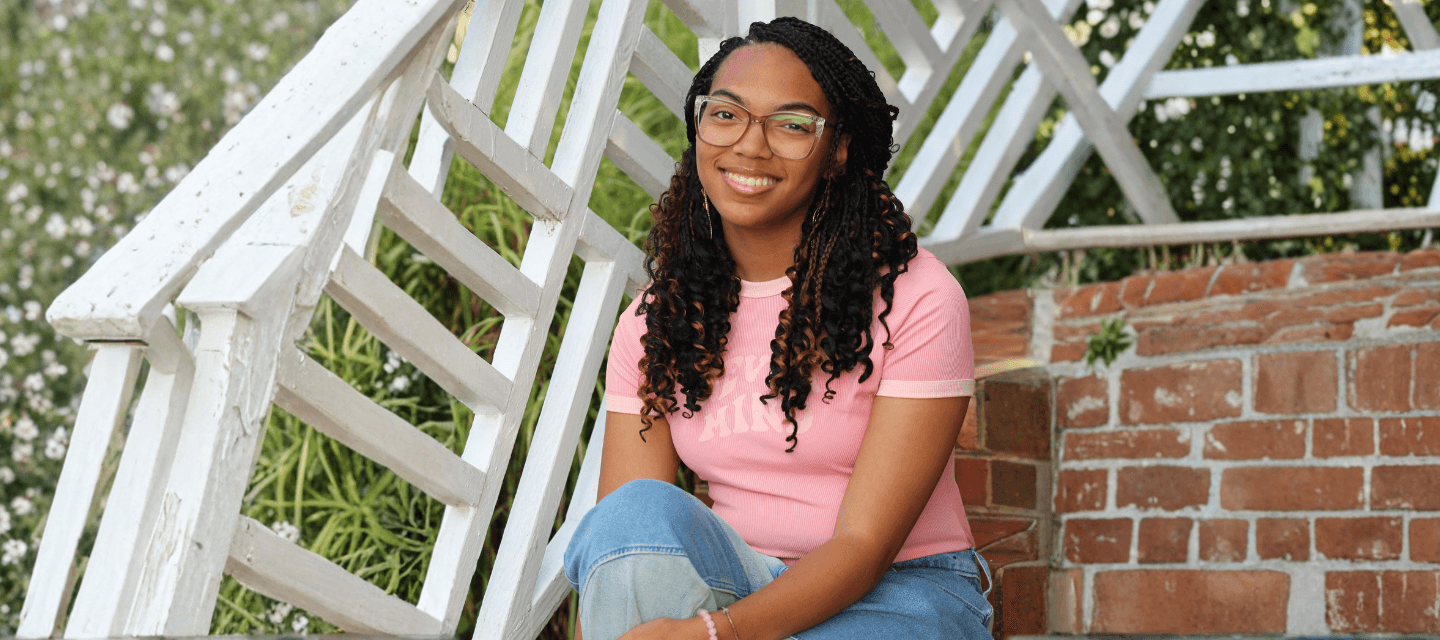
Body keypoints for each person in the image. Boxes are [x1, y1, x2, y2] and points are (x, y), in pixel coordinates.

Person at [563, 17, 991, 640]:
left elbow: (866, 545)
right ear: (699, 127)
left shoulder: (916, 297)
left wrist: (716, 633)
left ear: (838, 149)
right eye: (726, 114)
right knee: (629, 512)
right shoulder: (659, 320)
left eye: (792, 125)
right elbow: (628, 546)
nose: (750, 146)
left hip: (900, 593)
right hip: (739, 575)